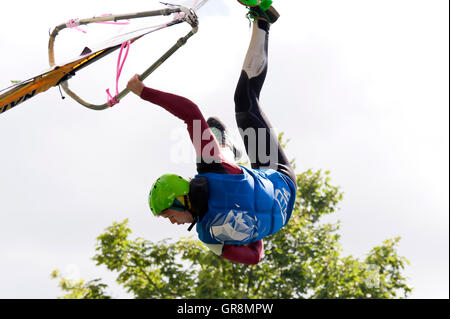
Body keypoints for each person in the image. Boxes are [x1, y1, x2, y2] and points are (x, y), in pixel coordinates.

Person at [126, 0, 297, 265]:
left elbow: (190, 113)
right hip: (281, 180)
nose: (172, 222)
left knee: (242, 103)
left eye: (168, 214)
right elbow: (254, 259)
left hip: (270, 192)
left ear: (181, 198)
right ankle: (228, 150)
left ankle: (262, 19)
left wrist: (144, 92)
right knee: (244, 104)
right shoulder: (208, 236)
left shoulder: (210, 171)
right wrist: (254, 213)